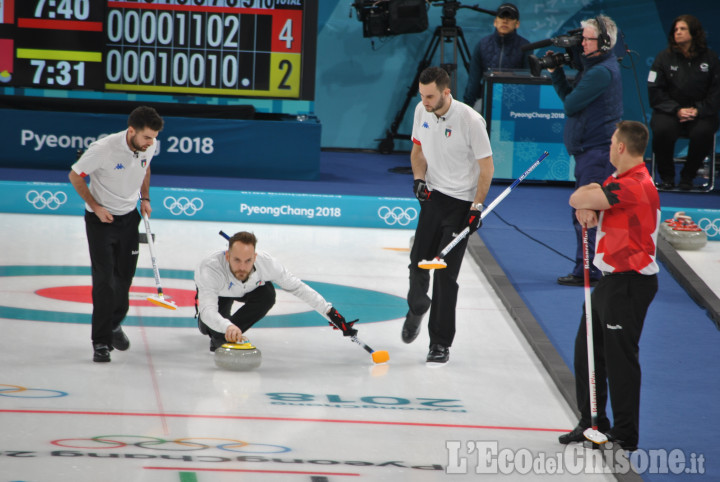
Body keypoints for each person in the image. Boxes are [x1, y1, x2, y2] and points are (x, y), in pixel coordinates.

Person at [558, 120, 659, 452]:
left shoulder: (636, 185)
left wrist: (586, 203)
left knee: (619, 360)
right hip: (610, 280)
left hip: (630, 283)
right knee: (587, 353)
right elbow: (589, 200)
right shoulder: (619, 179)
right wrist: (589, 208)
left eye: (613, 140)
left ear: (620, 147)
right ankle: (592, 423)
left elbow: (579, 195)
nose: (610, 144)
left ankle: (626, 433)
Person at [402, 66, 494, 364]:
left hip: (461, 205)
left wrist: (476, 208)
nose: (425, 102)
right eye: (422, 95)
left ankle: (440, 343)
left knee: (444, 276)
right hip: (433, 198)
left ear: (446, 91)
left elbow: (487, 168)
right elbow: (417, 152)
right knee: (418, 263)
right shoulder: (421, 111)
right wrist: (418, 180)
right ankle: (416, 308)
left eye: (430, 96)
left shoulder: (470, 120)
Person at [69, 106, 164, 363]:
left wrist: (144, 197)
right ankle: (100, 342)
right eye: (147, 137)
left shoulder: (149, 146)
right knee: (104, 282)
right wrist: (96, 207)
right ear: (131, 131)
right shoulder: (104, 149)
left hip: (129, 218)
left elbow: (145, 168)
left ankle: (113, 324)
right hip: (101, 221)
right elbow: (75, 175)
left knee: (124, 279)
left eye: (154, 138)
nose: (151, 142)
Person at [547, 15, 623, 286]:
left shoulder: (600, 72)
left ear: (603, 42)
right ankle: (590, 269)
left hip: (597, 152)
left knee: (587, 213)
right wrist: (557, 73)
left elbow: (570, 105)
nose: (582, 44)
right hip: (591, 150)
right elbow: (572, 98)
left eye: (587, 39)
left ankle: (588, 272)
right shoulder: (593, 67)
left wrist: (558, 76)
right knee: (585, 212)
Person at [195, 231, 356, 351]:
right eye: (237, 260)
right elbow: (208, 310)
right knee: (207, 327)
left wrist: (330, 312)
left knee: (267, 295)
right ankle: (223, 330)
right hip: (220, 292)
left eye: (248, 260)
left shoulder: (267, 263)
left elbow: (298, 287)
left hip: (249, 290)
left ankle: (222, 338)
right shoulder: (210, 268)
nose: (243, 267)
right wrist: (226, 325)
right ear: (228, 256)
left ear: (255, 257)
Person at [648, 14, 720, 190]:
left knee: (703, 132)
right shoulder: (663, 58)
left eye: (682, 29)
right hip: (671, 111)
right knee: (662, 129)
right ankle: (667, 177)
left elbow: (717, 91)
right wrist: (677, 110)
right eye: (675, 30)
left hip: (700, 112)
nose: (677, 33)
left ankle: (688, 177)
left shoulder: (710, 59)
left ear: (694, 33)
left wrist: (698, 110)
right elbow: (655, 90)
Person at [463, 3, 530, 110]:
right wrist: (467, 108)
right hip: (486, 99)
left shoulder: (526, 47)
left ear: (517, 24)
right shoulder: (482, 45)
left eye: (510, 18)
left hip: (515, 102)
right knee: (477, 110)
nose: (505, 21)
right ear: (495, 22)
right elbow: (473, 81)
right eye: (502, 17)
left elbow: (529, 83)